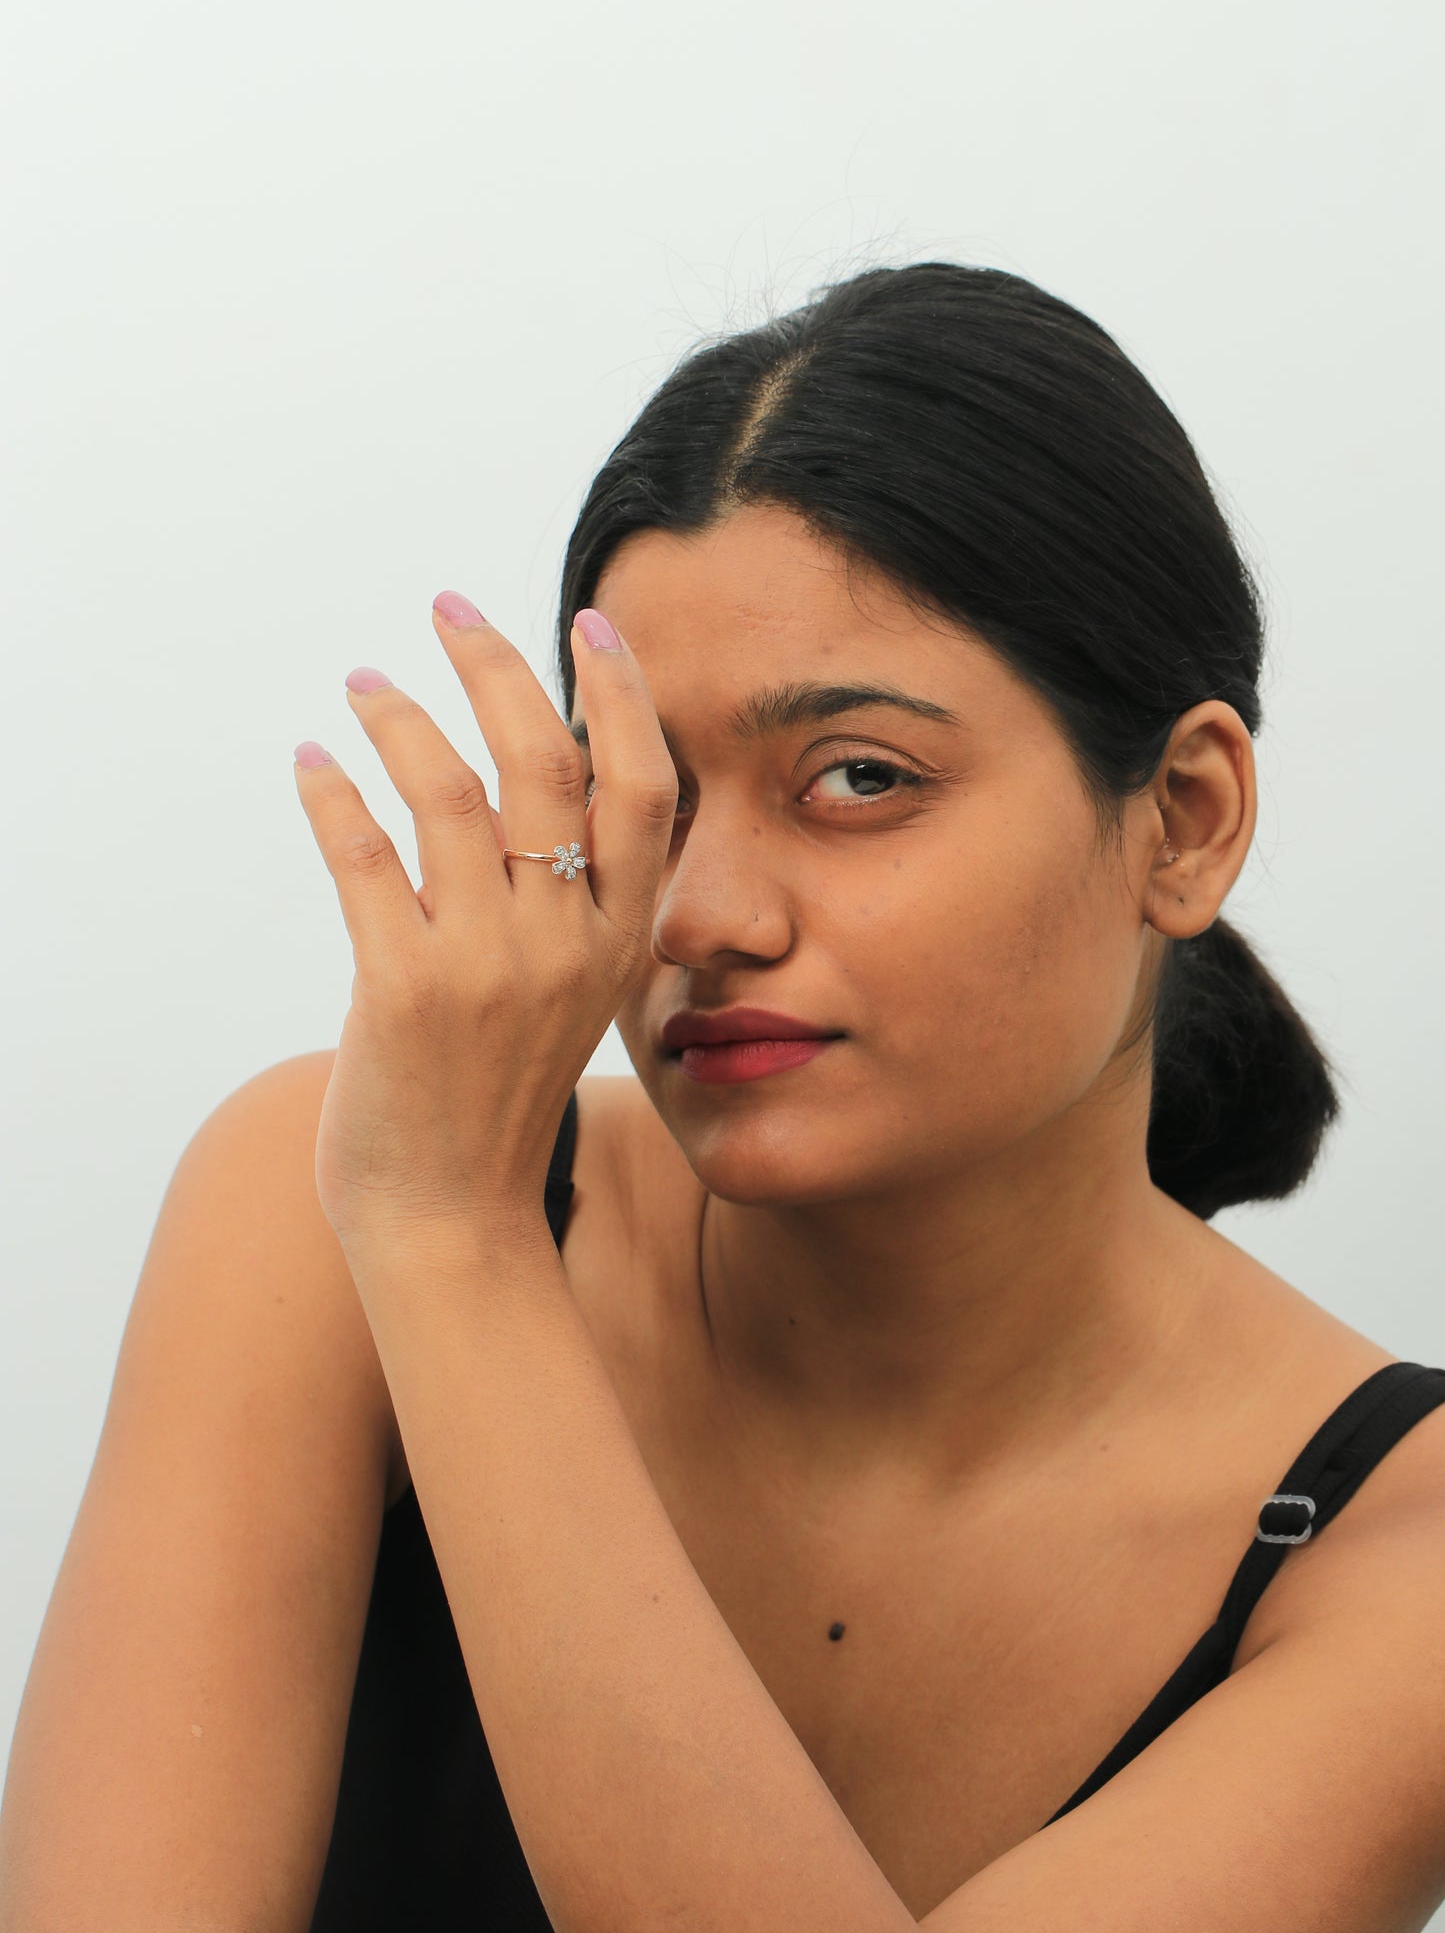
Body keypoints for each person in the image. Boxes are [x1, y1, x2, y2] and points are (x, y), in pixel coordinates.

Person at [6, 262, 1443, 1931]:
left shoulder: (1396, 1563)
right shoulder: (320, 1204)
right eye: (652, 793)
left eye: (856, 779)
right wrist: (433, 1227)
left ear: (1183, 820)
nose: (698, 916)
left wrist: (456, 1246)